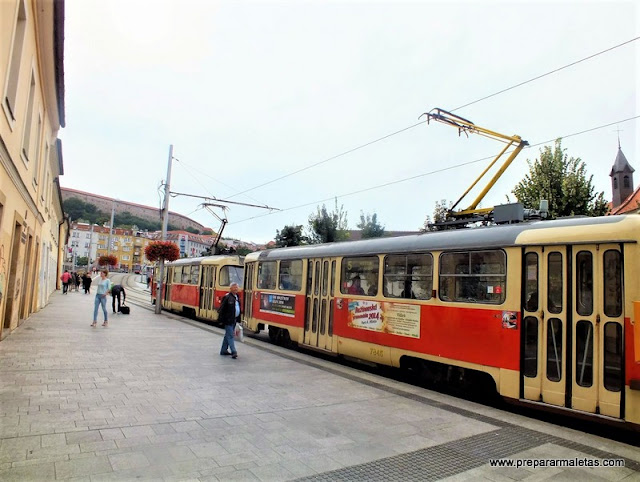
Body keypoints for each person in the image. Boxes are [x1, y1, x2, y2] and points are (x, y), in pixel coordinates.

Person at [218, 282, 241, 359]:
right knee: (231, 335)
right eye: (234, 287)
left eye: (237, 287)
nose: (236, 289)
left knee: (227, 335)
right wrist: (221, 320)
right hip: (228, 320)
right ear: (230, 289)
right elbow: (221, 309)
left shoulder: (237, 297)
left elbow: (238, 308)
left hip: (234, 319)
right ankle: (234, 351)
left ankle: (223, 350)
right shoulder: (227, 297)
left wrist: (238, 319)